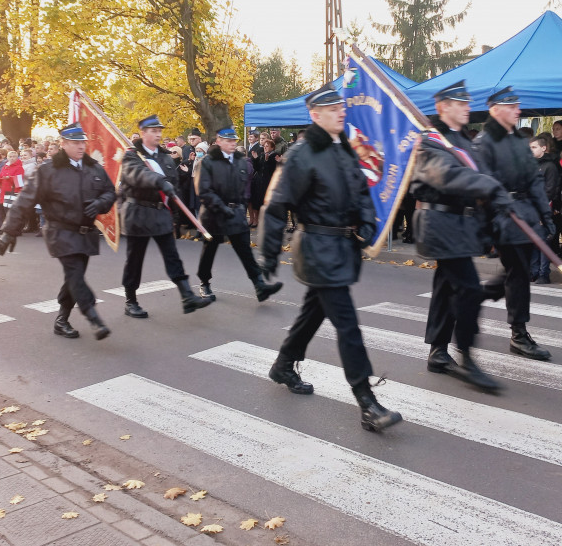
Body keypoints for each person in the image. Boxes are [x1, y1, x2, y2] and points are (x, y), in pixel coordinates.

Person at [260, 84, 401, 432]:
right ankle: (367, 401)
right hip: (317, 249)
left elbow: (361, 191)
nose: (341, 111)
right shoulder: (301, 154)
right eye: (333, 108)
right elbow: (277, 206)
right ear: (314, 115)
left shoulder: (345, 149)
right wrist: (266, 256)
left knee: (312, 314)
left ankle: (282, 364)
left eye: (341, 106)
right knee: (348, 326)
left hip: (341, 249)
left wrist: (367, 220)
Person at [411, 81, 513, 392]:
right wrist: (489, 188)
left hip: (459, 224)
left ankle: (438, 352)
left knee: (446, 287)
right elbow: (447, 175)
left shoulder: (462, 140)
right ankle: (467, 357)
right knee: (468, 289)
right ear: (443, 106)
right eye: (461, 102)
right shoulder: (430, 141)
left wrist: (499, 203)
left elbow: (482, 176)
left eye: (468, 101)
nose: (468, 106)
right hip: (439, 222)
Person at [0, 123, 115, 340]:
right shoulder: (48, 171)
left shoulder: (94, 168)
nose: (81, 147)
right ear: (63, 144)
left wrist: (100, 204)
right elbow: (25, 200)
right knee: (75, 275)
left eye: (82, 142)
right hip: (60, 232)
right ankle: (93, 317)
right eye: (75, 143)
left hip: (85, 233)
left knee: (74, 277)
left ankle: (61, 320)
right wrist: (9, 231)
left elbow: (109, 192)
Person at [473, 87, 555, 360]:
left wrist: (546, 215)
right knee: (518, 273)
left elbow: (534, 180)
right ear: (495, 110)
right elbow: (484, 185)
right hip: (504, 216)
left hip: (526, 214)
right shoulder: (485, 141)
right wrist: (490, 223)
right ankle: (518, 334)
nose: (518, 111)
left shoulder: (519, 141)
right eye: (512, 107)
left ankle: (474, 296)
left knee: (516, 272)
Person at [119, 115, 213, 318]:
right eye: (153, 131)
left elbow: (175, 188)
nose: (158, 134)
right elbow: (136, 174)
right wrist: (158, 181)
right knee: (135, 260)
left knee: (173, 257)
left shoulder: (165, 157)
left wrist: (177, 218)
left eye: (160, 130)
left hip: (161, 213)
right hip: (139, 213)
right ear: (143, 133)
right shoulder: (132, 156)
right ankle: (130, 300)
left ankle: (187, 296)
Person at [195, 127, 283, 302]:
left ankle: (259, 285)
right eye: (228, 141)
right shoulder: (208, 162)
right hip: (214, 214)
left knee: (245, 251)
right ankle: (204, 282)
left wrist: (241, 206)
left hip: (236, 214)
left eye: (234, 140)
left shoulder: (240, 162)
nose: (233, 143)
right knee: (209, 250)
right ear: (219, 142)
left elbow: (243, 188)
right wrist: (221, 207)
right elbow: (204, 190)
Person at [529, 134, 562, 284]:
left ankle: (544, 273)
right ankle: (533, 271)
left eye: (534, 147)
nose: (531, 150)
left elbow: (551, 190)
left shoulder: (549, 166)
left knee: (543, 241)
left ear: (543, 148)